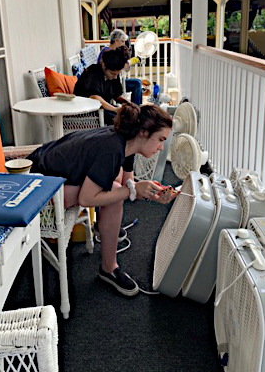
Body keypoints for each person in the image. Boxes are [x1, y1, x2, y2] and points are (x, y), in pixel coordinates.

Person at [27, 103, 177, 296]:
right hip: (37, 187)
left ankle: (106, 243)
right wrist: (132, 190)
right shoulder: (112, 149)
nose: (161, 147)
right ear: (143, 133)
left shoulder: (126, 143)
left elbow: (129, 185)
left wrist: (151, 193)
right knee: (112, 192)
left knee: (115, 183)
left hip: (49, 171)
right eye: (160, 139)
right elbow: (88, 198)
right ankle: (109, 266)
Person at [74, 46, 132, 125]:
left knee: (129, 117)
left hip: (101, 110)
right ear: (104, 66)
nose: (115, 77)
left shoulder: (113, 75)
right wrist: (116, 109)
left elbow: (116, 95)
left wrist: (129, 104)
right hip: (87, 112)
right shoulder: (93, 73)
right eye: (112, 73)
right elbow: (95, 98)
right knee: (124, 122)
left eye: (117, 74)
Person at [97, 29, 143, 105]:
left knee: (138, 82)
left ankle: (136, 108)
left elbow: (126, 68)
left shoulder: (116, 52)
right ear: (116, 41)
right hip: (108, 84)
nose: (124, 44)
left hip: (117, 81)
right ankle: (135, 109)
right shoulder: (106, 52)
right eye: (122, 41)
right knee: (137, 84)